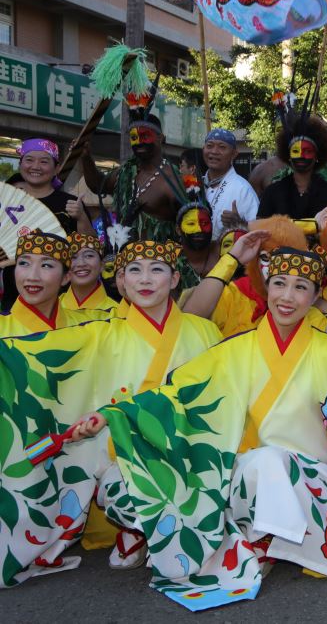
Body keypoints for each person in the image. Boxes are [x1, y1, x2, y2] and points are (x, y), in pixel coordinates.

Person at [70, 246, 327, 609]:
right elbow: (175, 395)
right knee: (122, 478)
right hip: (245, 479)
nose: (287, 296)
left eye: (301, 288)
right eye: (279, 283)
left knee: (270, 461)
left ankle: (261, 539)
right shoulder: (234, 349)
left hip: (311, 484)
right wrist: (113, 415)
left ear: (316, 295)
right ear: (266, 287)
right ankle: (248, 535)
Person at [0, 240, 221, 585]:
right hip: (124, 454)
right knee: (120, 488)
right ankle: (140, 529)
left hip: (191, 448)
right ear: (119, 283)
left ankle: (157, 534)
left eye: (157, 269)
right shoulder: (100, 333)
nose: (145, 279)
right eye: (134, 270)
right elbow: (45, 365)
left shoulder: (206, 331)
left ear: (176, 278)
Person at [181, 216, 326, 336]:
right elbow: (189, 318)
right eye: (266, 258)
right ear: (255, 260)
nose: (273, 270)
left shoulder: (309, 310)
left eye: (283, 261)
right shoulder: (232, 294)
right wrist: (232, 259)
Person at [81, 113, 183, 242]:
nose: (139, 142)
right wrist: (85, 157)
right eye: (134, 137)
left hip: (158, 258)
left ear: (160, 138)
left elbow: (190, 220)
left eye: (145, 136)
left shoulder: (173, 179)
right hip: (124, 257)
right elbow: (98, 186)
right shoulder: (125, 173)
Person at [0, 232, 105, 337]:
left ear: (66, 277)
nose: (32, 276)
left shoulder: (94, 325)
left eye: (46, 265)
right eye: (24, 263)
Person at [258, 112, 327, 220]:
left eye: (308, 151)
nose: (301, 156)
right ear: (288, 155)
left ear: (317, 156)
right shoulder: (272, 192)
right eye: (296, 151)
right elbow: (260, 228)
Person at [8, 138, 80, 233]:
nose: (35, 167)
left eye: (44, 162)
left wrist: (81, 218)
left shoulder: (72, 204)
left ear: (56, 169)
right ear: (20, 165)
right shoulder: (6, 200)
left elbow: (91, 243)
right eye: (29, 160)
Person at [200, 128, 259, 241]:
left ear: (234, 154)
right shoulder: (194, 186)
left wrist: (239, 224)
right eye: (210, 146)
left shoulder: (243, 189)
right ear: (203, 149)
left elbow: (257, 233)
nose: (214, 151)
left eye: (222, 147)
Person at [60, 232, 117, 313]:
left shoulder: (118, 312)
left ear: (101, 265)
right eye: (73, 257)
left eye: (89, 256)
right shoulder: (50, 308)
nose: (81, 263)